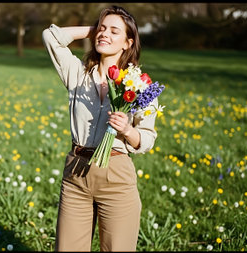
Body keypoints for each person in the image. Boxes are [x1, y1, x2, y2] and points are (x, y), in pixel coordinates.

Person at [42, 5, 158, 252]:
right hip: (76, 174)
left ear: (128, 43)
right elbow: (51, 36)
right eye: (102, 29)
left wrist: (127, 130)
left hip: (116, 177)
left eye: (114, 32)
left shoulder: (142, 87)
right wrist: (95, 30)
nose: (105, 34)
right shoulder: (77, 74)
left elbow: (146, 139)